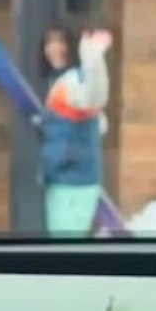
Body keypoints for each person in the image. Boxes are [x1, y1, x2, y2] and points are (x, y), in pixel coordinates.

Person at [35, 19, 114, 236]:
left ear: (72, 46)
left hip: (73, 185)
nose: (54, 49)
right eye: (49, 43)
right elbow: (97, 122)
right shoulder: (59, 84)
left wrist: (93, 56)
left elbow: (94, 97)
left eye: (61, 42)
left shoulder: (74, 82)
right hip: (63, 182)